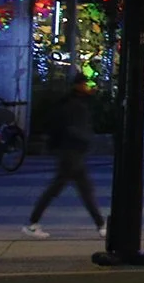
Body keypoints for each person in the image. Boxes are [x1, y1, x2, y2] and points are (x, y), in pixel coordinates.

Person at [22, 72, 105, 239]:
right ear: (79, 85)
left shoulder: (74, 102)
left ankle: (101, 224)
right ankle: (101, 225)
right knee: (73, 189)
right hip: (71, 152)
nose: (89, 88)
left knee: (79, 189)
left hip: (71, 152)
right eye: (86, 84)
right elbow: (74, 128)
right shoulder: (74, 104)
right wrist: (84, 140)